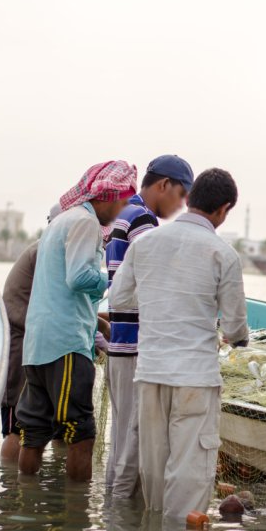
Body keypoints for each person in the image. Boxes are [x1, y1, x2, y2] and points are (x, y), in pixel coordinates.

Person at [111, 167, 248, 521]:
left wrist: (160, 304)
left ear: (188, 199)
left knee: (154, 474)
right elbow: (235, 328)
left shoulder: (144, 243)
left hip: (150, 374)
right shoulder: (223, 253)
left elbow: (120, 299)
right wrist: (235, 337)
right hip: (194, 379)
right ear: (224, 209)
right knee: (188, 480)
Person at [16, 160, 136, 481]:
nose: (123, 209)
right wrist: (116, 279)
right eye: (123, 202)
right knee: (81, 433)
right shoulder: (85, 222)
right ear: (108, 195)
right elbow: (79, 277)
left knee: (34, 432)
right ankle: (76, 521)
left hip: (38, 344)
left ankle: (26, 509)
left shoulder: (60, 221)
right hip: (66, 344)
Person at [105, 154, 193, 498]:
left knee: (120, 437)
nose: (183, 204)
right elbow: (150, 284)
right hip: (134, 343)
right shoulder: (142, 219)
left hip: (119, 344)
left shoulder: (122, 213)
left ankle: (112, 515)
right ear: (163, 185)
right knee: (133, 438)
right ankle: (122, 518)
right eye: (182, 194)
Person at [0, 205, 67, 462]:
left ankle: (27, 489)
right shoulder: (44, 251)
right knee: (18, 426)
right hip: (23, 343)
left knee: (42, 426)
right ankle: (11, 491)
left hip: (37, 343)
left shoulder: (49, 249)